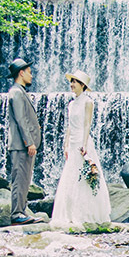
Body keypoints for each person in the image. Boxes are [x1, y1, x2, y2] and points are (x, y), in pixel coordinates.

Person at [51, 70, 111, 228]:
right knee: (71, 177)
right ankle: (70, 213)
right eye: (71, 82)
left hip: (82, 142)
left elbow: (87, 124)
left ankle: (85, 213)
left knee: (83, 178)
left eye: (74, 82)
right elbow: (70, 126)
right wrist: (65, 144)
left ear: (83, 85)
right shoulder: (71, 104)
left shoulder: (88, 102)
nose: (71, 85)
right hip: (72, 143)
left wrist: (84, 144)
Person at [6, 58, 42, 225]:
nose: (32, 76)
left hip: (22, 145)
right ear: (21, 73)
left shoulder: (19, 91)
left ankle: (21, 211)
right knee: (20, 179)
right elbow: (21, 120)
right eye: (29, 72)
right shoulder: (17, 92)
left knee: (24, 179)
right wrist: (29, 142)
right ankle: (17, 214)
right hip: (21, 145)